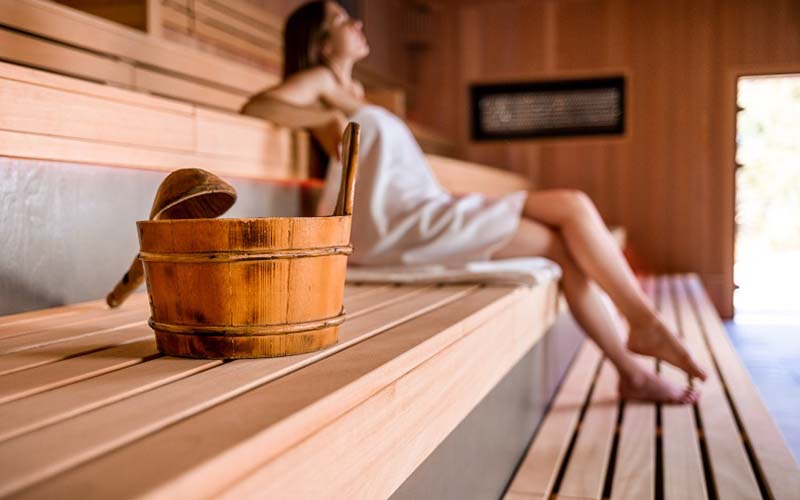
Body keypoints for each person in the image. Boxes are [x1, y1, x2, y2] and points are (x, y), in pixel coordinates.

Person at [241, 0, 707, 403]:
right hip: (396, 223)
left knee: (569, 222)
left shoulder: (358, 93)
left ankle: (635, 358)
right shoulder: (320, 82)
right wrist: (327, 120)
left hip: (420, 208)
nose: (358, 26)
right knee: (568, 218)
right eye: (344, 20)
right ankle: (639, 343)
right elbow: (259, 108)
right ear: (321, 43)